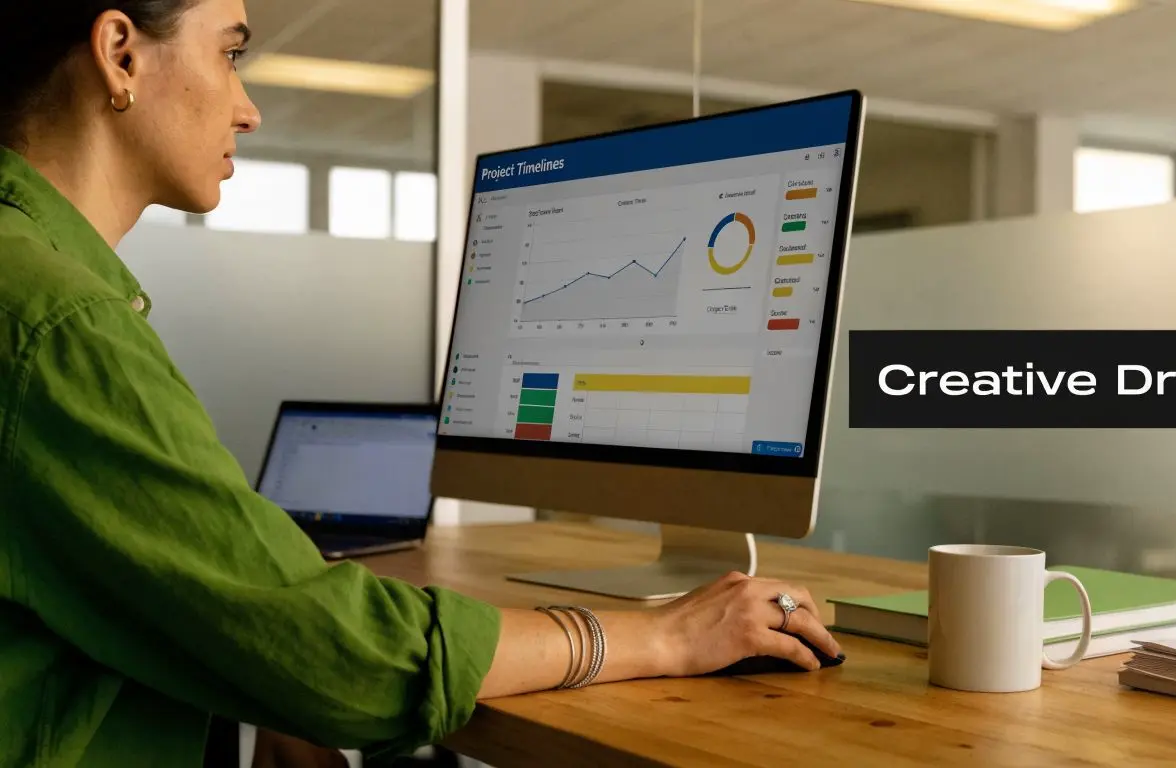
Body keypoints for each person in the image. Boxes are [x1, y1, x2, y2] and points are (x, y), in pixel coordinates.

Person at [0, 1, 844, 766]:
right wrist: (655, 636)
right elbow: (342, 655)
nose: (247, 107)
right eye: (230, 54)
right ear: (120, 54)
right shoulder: (57, 323)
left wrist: (268, 698)